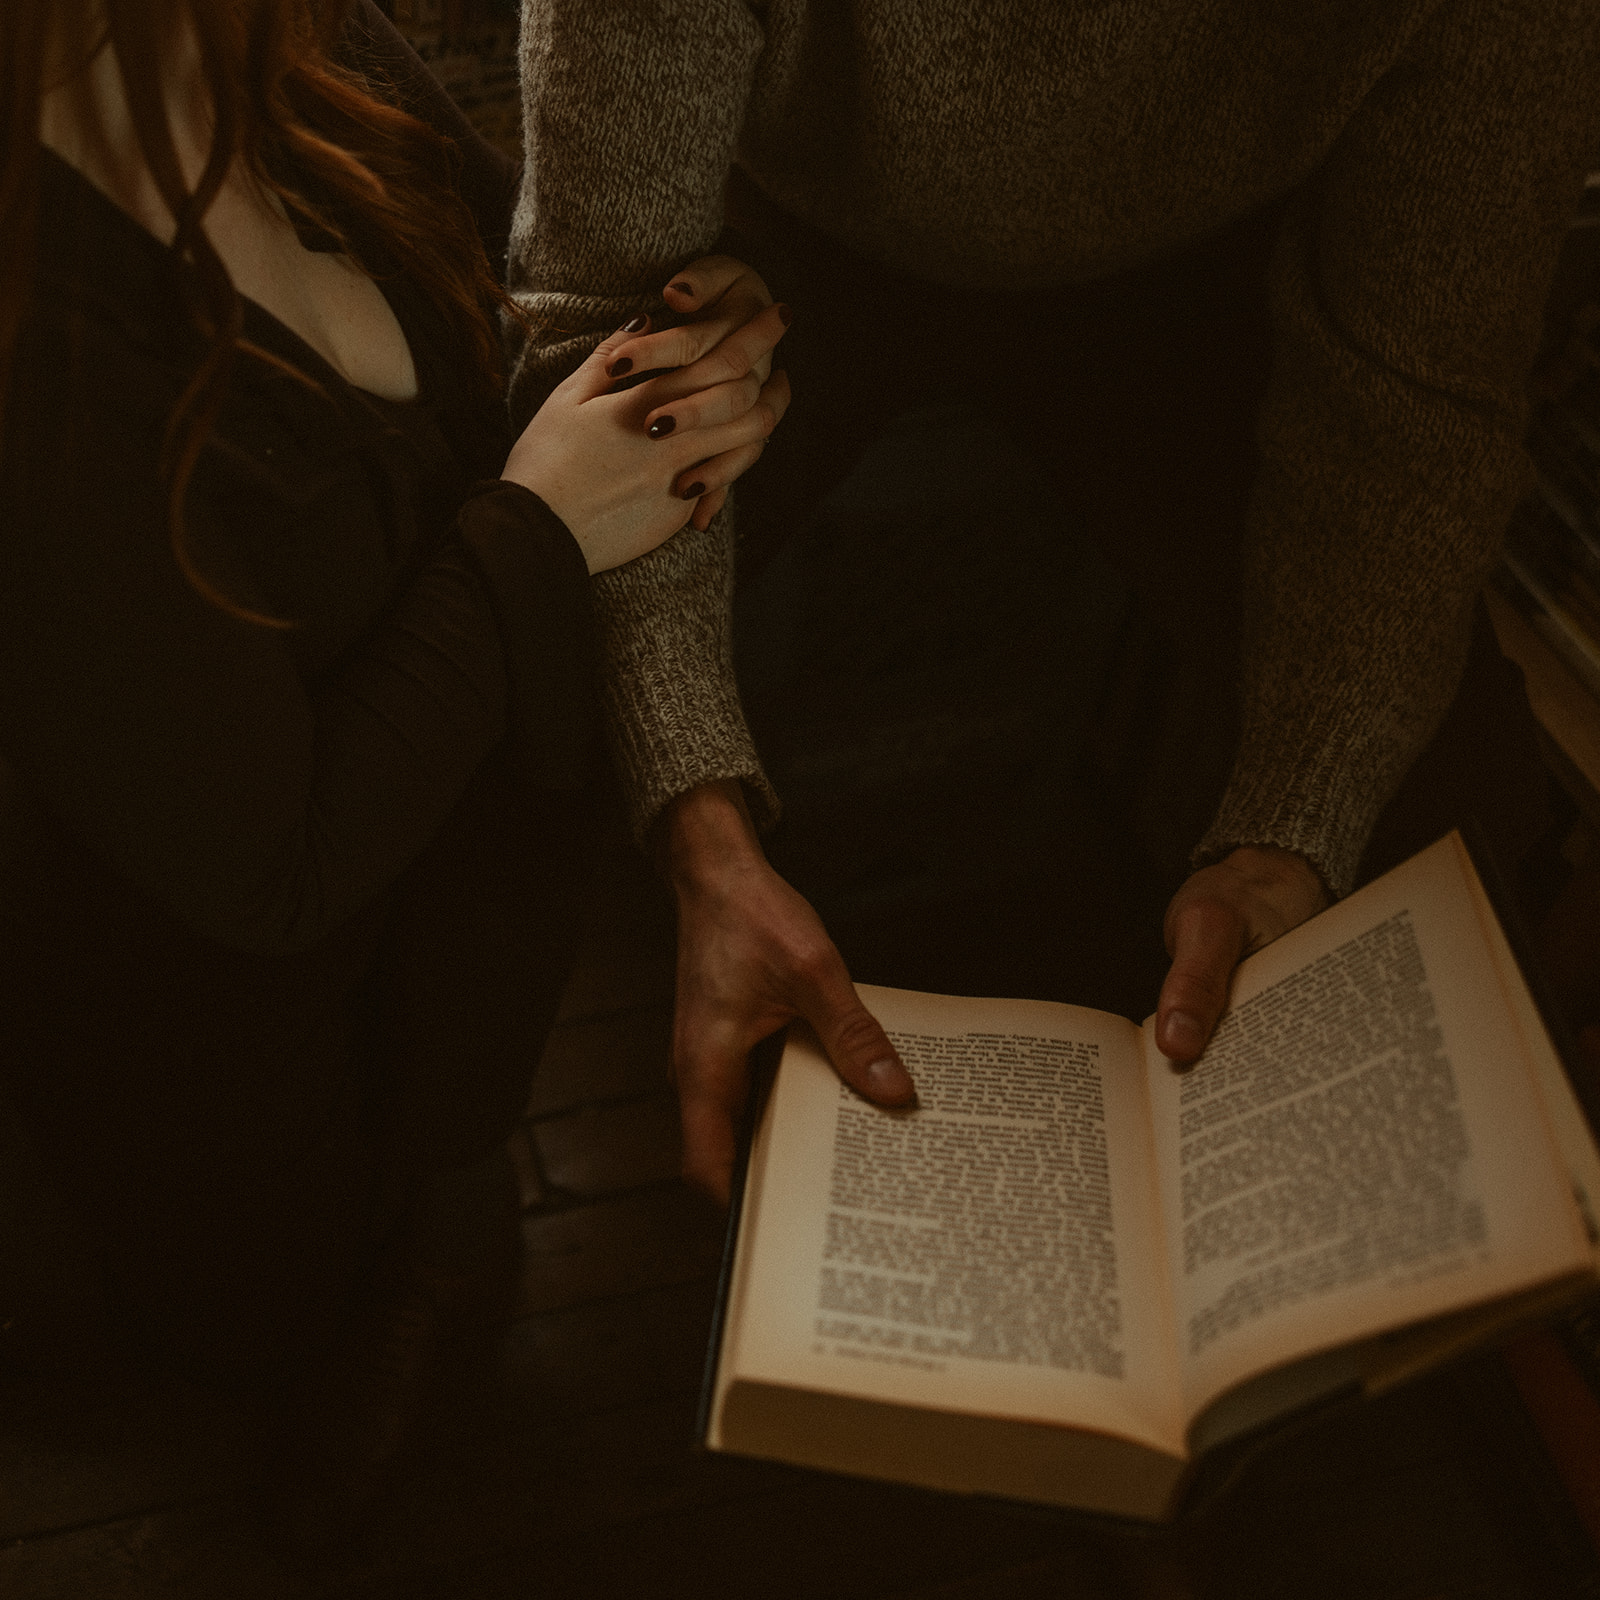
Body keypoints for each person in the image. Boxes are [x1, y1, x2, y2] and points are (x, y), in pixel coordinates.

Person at [507, 0, 1600, 1202]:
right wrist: (699, 833)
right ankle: (452, 1204)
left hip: (1195, 264)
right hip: (765, 250)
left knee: (1455, 800)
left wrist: (1295, 828)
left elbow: (1415, 404)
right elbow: (598, 346)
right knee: (511, 651)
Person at [0, 0, 789, 1463]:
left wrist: (677, 354)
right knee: (257, 1314)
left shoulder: (285, 40)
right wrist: (544, 523)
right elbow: (269, 874)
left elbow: (521, 297)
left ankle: (445, 1241)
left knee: (454, 1114)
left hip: (460, 861)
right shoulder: (39, 334)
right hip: (219, 1020)